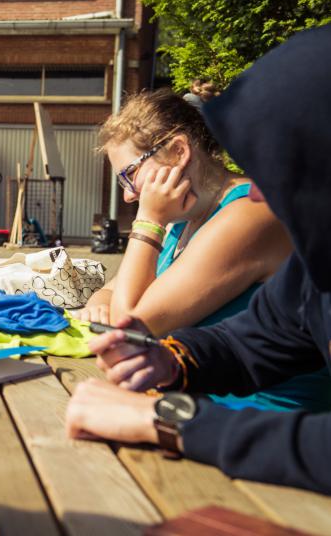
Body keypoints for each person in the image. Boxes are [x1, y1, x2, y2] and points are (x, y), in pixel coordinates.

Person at [65, 24, 331, 494]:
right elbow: (253, 340)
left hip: (275, 463)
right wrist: (172, 363)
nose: (262, 189)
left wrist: (167, 418)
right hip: (242, 440)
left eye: (279, 162)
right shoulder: (314, 269)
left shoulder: (250, 214)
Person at [72, 88, 331, 411]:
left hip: (264, 428)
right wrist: (98, 303)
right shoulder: (184, 218)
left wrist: (148, 219)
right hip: (198, 403)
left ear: (179, 151)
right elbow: (112, 291)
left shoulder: (247, 215)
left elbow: (128, 325)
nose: (127, 195)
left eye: (130, 175)